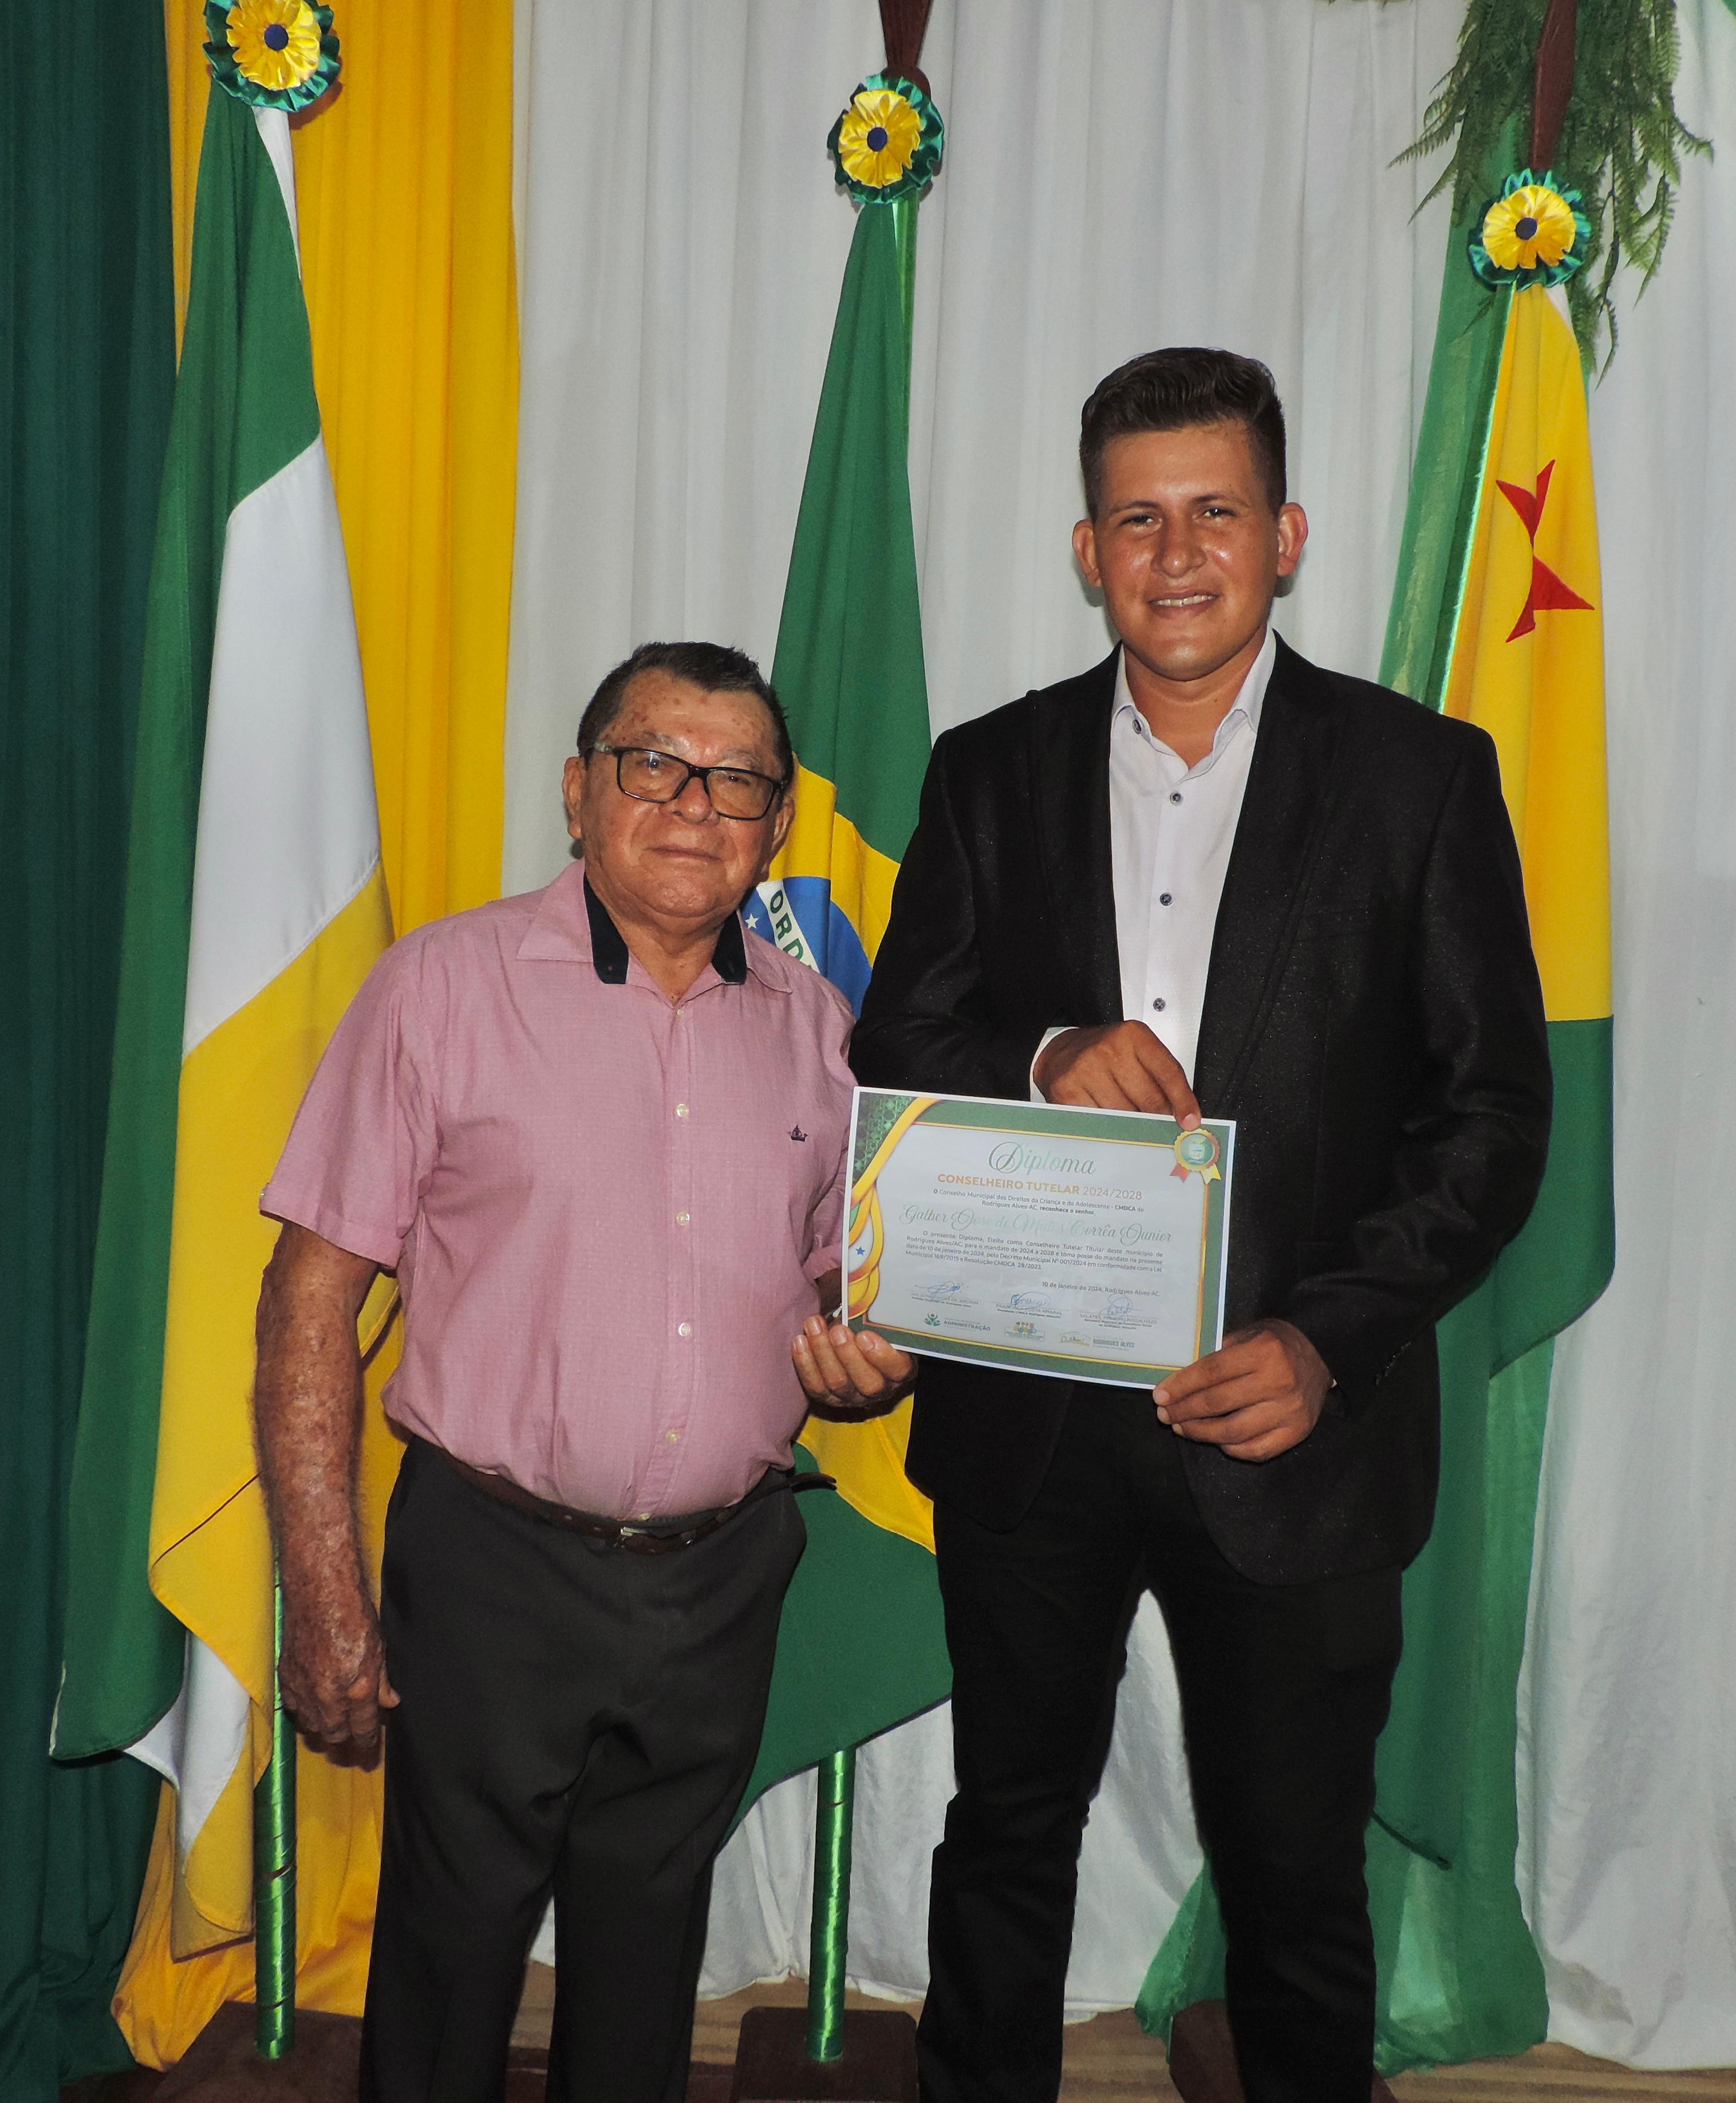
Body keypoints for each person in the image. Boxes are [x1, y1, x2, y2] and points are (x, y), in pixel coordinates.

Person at [828, 349, 1553, 2103]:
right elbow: (898, 1037)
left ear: (1285, 535)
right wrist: (1040, 1052)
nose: (1176, 554)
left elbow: (1490, 1120)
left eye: (1215, 511)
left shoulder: (1421, 779)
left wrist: (1326, 1343)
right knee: (1006, 1842)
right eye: (1137, 519)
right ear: (1087, 550)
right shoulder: (987, 769)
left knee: (1295, 1886)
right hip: (1029, 1428)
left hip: (1294, 1432)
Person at [253, 640, 914, 2103]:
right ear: (578, 789)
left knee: (648, 1954)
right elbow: (309, 1299)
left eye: (736, 780)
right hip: (494, 1566)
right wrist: (322, 1591)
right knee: (450, 1960)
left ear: (776, 824)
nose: (693, 805)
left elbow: (834, 1268)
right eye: (653, 763)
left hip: (725, 1572)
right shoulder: (441, 986)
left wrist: (866, 1347)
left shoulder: (819, 1029)